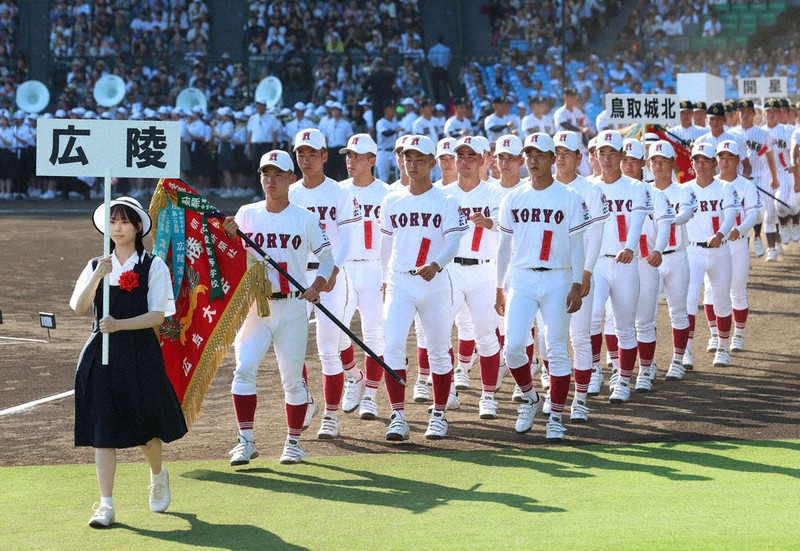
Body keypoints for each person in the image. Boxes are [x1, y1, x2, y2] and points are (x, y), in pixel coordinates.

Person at [70, 197, 187, 528]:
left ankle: (157, 474)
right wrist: (98, 276)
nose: (117, 228)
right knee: (102, 430)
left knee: (145, 429)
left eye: (124, 221)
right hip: (101, 352)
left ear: (137, 227)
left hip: (139, 353)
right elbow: (79, 307)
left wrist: (119, 324)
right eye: (112, 222)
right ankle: (106, 504)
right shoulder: (97, 264)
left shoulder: (153, 265)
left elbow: (158, 315)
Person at [223, 150, 334, 467]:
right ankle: (245, 441)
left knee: (292, 380)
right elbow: (231, 255)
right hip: (256, 307)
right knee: (244, 369)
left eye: (277, 175)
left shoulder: (305, 218)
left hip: (293, 307)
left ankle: (293, 443)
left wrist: (317, 285)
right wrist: (228, 235)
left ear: (291, 179)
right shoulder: (246, 213)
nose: (270, 180)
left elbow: (327, 258)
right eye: (265, 174)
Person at [495, 132, 589, 440]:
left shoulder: (569, 197)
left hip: (558, 276)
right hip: (521, 277)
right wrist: (499, 285)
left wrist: (577, 282)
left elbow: (578, 244)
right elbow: (503, 246)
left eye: (540, 155)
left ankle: (556, 418)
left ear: (552, 158)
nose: (533, 160)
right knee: (512, 348)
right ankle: (531, 398)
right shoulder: (513, 197)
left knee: (557, 348)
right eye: (529, 155)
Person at [379, 135, 468, 440]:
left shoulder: (446, 200)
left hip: (435, 282)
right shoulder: (392, 200)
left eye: (419, 159)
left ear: (432, 163)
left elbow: (454, 242)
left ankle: (439, 413)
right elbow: (385, 245)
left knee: (438, 349)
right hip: (400, 281)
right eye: (408, 158)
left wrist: (437, 264)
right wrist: (384, 280)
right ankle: (398, 416)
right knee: (392, 345)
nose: (412, 164)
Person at [289, 128, 363, 439]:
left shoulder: (339, 193)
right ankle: (306, 400)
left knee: (327, 348)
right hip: (297, 275)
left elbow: (347, 238)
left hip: (330, 273)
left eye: (312, 154)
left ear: (324, 156)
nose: (306, 159)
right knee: (292, 346)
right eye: (300, 154)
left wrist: (333, 270)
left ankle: (331, 415)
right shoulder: (290, 193)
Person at [588, 131, 653, 403]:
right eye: (602, 153)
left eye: (612, 153)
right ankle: (594, 370)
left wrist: (629, 246)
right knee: (592, 317)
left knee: (625, 326)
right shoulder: (588, 187)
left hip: (625, 263)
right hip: (596, 263)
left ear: (621, 155)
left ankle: (623, 379)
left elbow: (637, 221)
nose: (606, 159)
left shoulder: (636, 187)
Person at [552, 130, 609, 421]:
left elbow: (596, 234)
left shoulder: (590, 190)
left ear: (578, 158)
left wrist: (586, 272)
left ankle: (581, 399)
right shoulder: (540, 189)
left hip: (578, 273)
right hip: (548, 275)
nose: (561, 158)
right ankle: (555, 397)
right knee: (550, 341)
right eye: (557, 153)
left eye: (567, 153)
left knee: (580, 338)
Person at [338, 133, 391, 420]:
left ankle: (370, 394)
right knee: (336, 332)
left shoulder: (387, 193)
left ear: (372, 160)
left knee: (374, 335)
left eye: (357, 156)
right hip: (344, 268)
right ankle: (354, 376)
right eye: (349, 155)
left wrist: (387, 274)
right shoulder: (338, 191)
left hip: (374, 268)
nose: (351, 160)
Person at [621, 139, 676, 392]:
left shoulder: (655, 194)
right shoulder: (608, 192)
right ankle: (619, 370)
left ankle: (645, 368)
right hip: (618, 263)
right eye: (624, 160)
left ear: (642, 163)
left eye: (633, 161)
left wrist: (658, 249)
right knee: (616, 321)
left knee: (644, 319)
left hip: (645, 261)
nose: (628, 165)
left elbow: (665, 225)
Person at [682, 143, 742, 369]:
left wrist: (720, 234)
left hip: (720, 250)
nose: (700, 165)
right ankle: (686, 351)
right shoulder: (684, 189)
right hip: (693, 252)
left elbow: (731, 214)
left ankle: (723, 348)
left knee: (722, 301)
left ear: (713, 163)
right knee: (688, 302)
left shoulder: (725, 188)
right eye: (696, 160)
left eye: (705, 160)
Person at [701, 141, 763, 354]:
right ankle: (714, 334)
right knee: (710, 290)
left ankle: (738, 334)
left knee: (737, 290)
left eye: (730, 158)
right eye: (721, 158)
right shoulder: (709, 184)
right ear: (716, 161)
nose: (725, 162)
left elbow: (754, 214)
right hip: (714, 246)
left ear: (737, 160)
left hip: (737, 243)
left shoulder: (747, 186)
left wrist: (741, 229)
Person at [648, 140, 697, 380]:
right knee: (646, 315)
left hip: (676, 256)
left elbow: (686, 213)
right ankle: (648, 363)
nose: (658, 166)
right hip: (649, 259)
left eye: (663, 161)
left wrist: (668, 220)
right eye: (654, 161)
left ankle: (678, 359)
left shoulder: (683, 190)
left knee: (678, 311)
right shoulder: (643, 191)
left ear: (672, 163)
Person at [427, 35, 452, 103]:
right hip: (444, 69)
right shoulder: (447, 49)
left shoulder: (432, 49)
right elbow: (449, 59)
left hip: (436, 69)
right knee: (447, 85)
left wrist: (433, 67)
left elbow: (430, 60)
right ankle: (450, 97)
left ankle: (437, 100)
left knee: (435, 86)